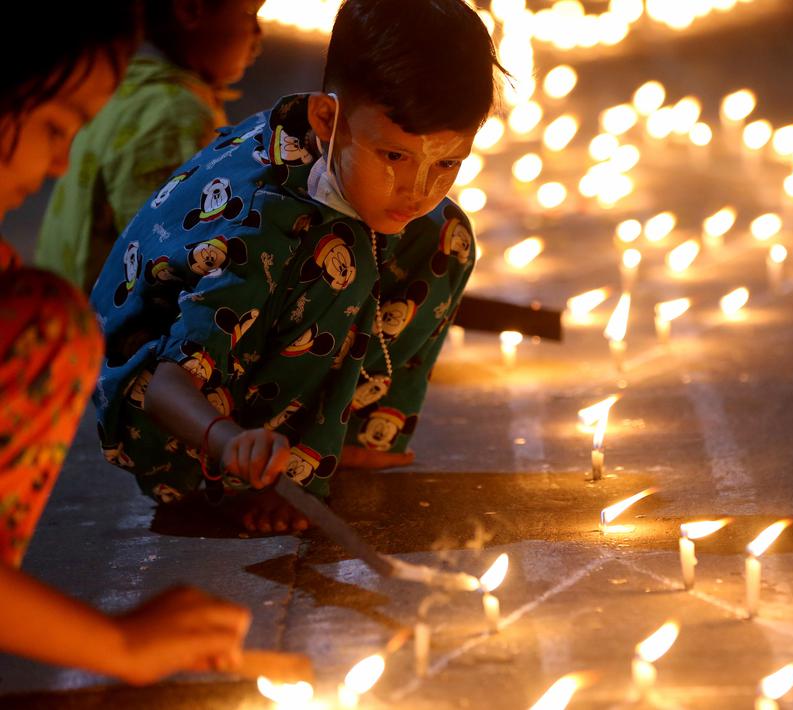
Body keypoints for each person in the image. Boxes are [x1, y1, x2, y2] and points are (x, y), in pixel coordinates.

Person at [90, 0, 504, 535]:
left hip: (226, 387)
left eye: (447, 163)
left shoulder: (330, 160)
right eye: (395, 157)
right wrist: (231, 443)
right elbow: (169, 386)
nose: (418, 189)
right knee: (338, 257)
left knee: (445, 232)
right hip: (168, 424)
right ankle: (256, 483)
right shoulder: (263, 223)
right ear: (326, 119)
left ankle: (353, 440)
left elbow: (422, 210)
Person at [0, 4, 250, 683]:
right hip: (107, 345)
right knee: (51, 329)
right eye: (54, 126)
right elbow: (169, 270)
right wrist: (118, 646)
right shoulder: (32, 323)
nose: (60, 162)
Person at [36, 0, 264, 289]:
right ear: (191, 9)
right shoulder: (176, 113)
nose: (259, 34)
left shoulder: (128, 88)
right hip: (107, 326)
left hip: (65, 309)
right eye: (250, 14)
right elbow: (166, 254)